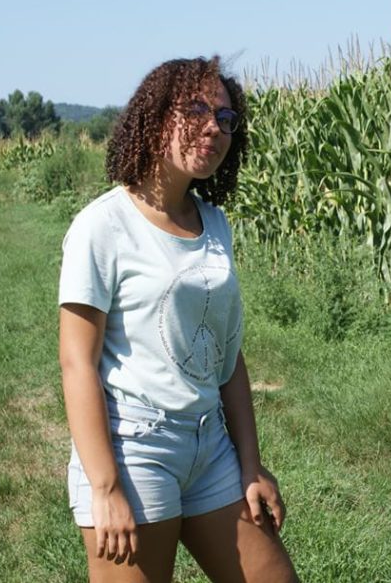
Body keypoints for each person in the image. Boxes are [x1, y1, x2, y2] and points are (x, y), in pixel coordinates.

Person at [58, 56, 298, 583]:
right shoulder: (103, 226)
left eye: (226, 118)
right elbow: (78, 362)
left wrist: (251, 465)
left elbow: (227, 353)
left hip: (210, 445)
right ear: (156, 115)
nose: (215, 127)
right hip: (134, 449)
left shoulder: (215, 224)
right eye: (196, 110)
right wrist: (105, 487)